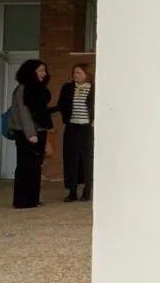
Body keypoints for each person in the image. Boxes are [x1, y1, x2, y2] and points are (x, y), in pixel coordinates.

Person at [7, 59, 54, 209]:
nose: (44, 74)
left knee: (35, 166)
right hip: (26, 133)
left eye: (44, 70)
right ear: (31, 72)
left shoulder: (38, 89)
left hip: (40, 131)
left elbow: (41, 112)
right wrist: (30, 134)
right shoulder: (23, 89)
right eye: (40, 70)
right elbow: (23, 113)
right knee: (25, 166)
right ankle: (22, 200)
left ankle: (33, 199)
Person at [55, 63, 95, 202]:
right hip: (72, 127)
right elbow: (61, 105)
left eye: (79, 73)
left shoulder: (94, 88)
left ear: (87, 74)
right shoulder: (68, 88)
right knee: (71, 158)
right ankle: (72, 191)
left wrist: (94, 119)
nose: (75, 75)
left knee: (87, 159)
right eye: (74, 73)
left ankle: (87, 191)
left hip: (87, 128)